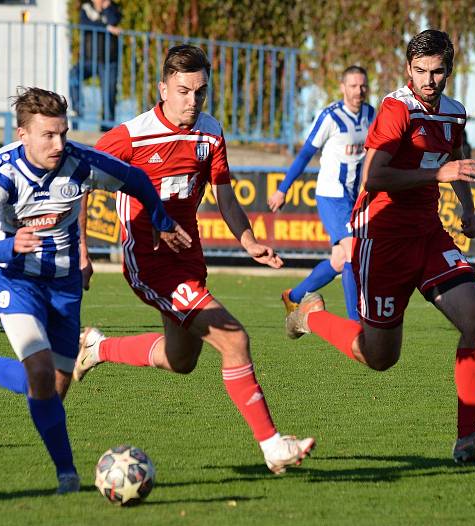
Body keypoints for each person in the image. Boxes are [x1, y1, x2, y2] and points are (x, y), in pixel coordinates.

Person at [76, 45, 315, 474]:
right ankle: (273, 446)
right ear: (163, 88)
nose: (192, 101)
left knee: (181, 359)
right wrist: (81, 251)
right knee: (234, 339)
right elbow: (80, 181)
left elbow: (225, 194)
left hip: (188, 260)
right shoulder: (131, 135)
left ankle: (97, 347)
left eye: (200, 92)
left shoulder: (210, 133)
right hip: (149, 262)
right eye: (184, 91)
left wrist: (247, 240)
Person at [283, 30, 475, 466]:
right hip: (382, 239)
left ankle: (470, 438)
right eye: (421, 71)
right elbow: (375, 177)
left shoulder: (454, 113)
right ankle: (312, 316)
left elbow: (455, 156)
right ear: (408, 70)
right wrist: (439, 176)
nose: (429, 80)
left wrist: (465, 208)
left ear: (449, 70)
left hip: (428, 236)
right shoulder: (395, 109)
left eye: (438, 71)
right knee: (379, 357)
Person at [0, 86, 190, 494]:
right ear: (22, 134)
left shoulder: (80, 163)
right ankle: (67, 475)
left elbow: (136, 180)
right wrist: (10, 245)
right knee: (39, 375)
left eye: (63, 133)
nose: (59, 144)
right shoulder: (1, 175)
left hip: (63, 283)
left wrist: (163, 220)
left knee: (55, 387)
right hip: (13, 278)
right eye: (48, 135)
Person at [267, 66, 375, 320]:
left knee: (339, 260)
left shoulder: (371, 114)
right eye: (352, 86)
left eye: (362, 86)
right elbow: (306, 153)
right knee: (352, 251)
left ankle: (293, 297)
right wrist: (283, 189)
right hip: (331, 195)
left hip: (355, 196)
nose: (358, 91)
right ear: (342, 87)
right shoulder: (331, 117)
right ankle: (356, 324)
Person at [70, 0, 122, 128]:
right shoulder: (86, 8)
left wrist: (106, 8)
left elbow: (113, 20)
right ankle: (78, 110)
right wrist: (106, 28)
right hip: (89, 59)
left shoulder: (113, 8)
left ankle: (106, 129)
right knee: (73, 75)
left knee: (109, 96)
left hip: (109, 60)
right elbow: (85, 24)